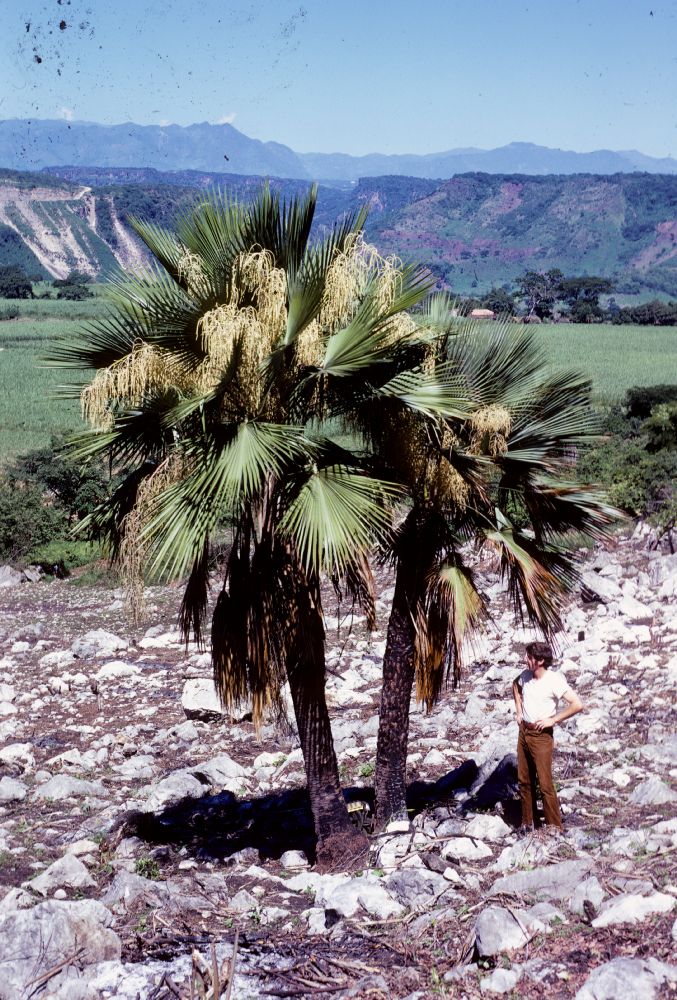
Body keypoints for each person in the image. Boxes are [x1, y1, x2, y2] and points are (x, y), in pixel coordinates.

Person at [512, 641, 583, 832]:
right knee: (524, 780)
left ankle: (554, 828)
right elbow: (515, 687)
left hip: (541, 736)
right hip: (524, 732)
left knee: (545, 784)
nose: (525, 660)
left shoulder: (554, 680)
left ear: (540, 660)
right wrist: (518, 712)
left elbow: (577, 704)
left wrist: (554, 719)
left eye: (529, 657)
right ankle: (528, 823)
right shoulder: (525, 676)